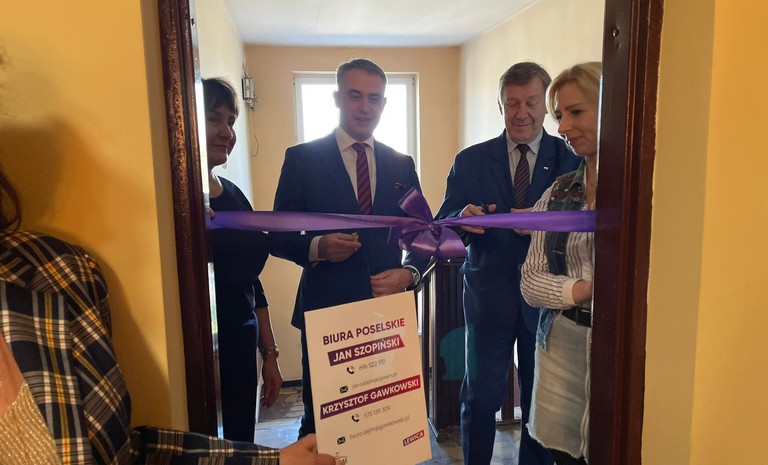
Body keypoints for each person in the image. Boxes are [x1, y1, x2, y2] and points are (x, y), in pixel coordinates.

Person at [270, 58, 428, 438]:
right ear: (337, 98)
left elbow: (424, 235)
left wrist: (408, 273)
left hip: (386, 314)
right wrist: (318, 247)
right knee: (325, 425)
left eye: (374, 98)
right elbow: (277, 235)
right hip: (327, 313)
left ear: (384, 104)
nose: (365, 107)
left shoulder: (401, 164)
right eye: (355, 96)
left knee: (385, 425)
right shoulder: (302, 159)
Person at [434, 62, 581, 465]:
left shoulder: (571, 159)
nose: (521, 113)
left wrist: (542, 222)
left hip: (549, 303)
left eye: (531, 102)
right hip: (488, 299)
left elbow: (586, 226)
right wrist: (460, 218)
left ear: (545, 105)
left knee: (539, 403)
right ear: (500, 105)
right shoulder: (470, 160)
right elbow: (443, 225)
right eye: (512, 103)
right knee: (479, 399)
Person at [520, 61, 602, 465]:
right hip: (560, 345)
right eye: (559, 116)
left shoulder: (647, 189)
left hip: (616, 348)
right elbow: (531, 282)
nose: (564, 127)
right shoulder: (558, 192)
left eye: (576, 112)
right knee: (562, 455)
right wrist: (585, 289)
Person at [203, 77, 282, 442]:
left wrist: (270, 354)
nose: (227, 132)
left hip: (241, 344)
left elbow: (252, 282)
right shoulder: (181, 203)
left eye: (231, 121)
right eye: (214, 119)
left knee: (240, 441)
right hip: (208, 353)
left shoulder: (233, 195)